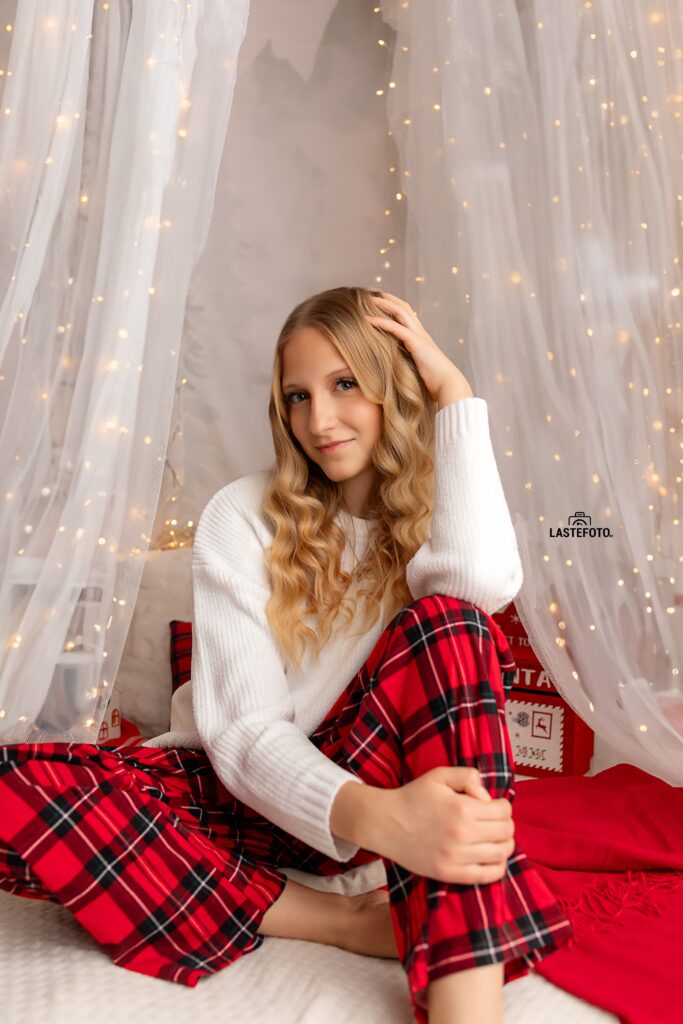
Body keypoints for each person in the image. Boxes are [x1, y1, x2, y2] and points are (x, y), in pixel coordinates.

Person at [0, 286, 573, 1024]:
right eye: (296, 396)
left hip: (367, 771)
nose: (318, 420)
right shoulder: (240, 513)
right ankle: (337, 921)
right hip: (235, 788)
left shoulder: (445, 513)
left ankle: (468, 1011)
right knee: (12, 783)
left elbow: (477, 590)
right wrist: (378, 820)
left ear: (392, 388)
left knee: (449, 622)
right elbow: (241, 736)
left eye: (344, 386)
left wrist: (454, 395)